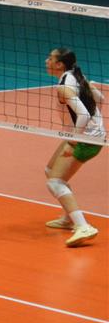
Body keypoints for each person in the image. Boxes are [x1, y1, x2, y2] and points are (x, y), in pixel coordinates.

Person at [42, 47, 103, 247]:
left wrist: (75, 140)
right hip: (85, 135)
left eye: (50, 58)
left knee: (55, 182)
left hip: (85, 139)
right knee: (50, 170)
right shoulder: (76, 76)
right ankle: (69, 218)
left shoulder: (65, 87)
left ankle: (83, 226)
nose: (46, 61)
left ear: (60, 64)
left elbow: (83, 115)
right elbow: (100, 100)